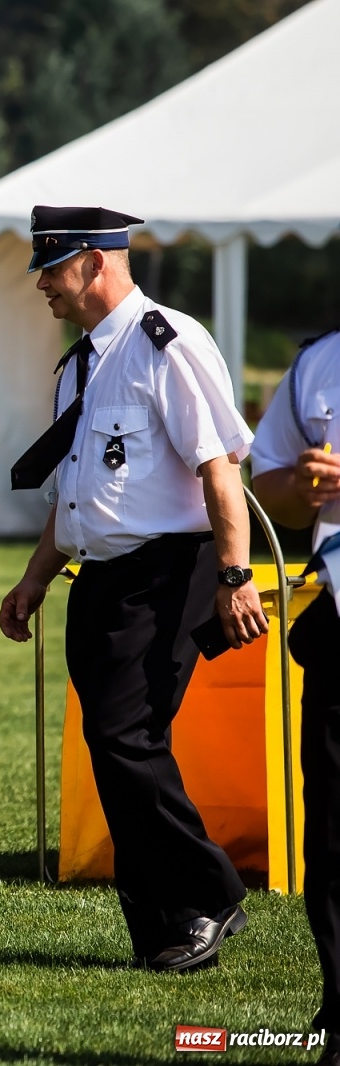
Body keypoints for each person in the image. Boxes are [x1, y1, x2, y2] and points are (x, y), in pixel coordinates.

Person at [0, 205, 266, 973]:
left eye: (52, 268)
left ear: (96, 263)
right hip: (102, 578)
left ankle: (207, 898)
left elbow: (221, 469)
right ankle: (163, 928)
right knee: (113, 750)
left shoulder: (166, 343)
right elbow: (80, 492)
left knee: (128, 741)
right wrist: (34, 577)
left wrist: (235, 576)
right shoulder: (83, 360)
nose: (44, 285)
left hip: (166, 572)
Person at [248, 330, 340, 1044]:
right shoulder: (320, 361)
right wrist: (302, 485)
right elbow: (271, 484)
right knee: (332, 836)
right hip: (336, 620)